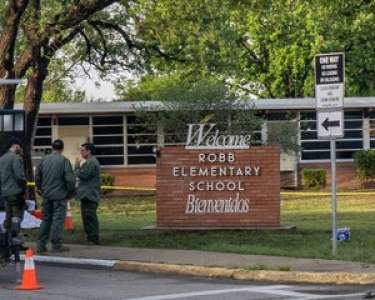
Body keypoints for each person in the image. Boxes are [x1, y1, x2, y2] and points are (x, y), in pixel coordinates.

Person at [36, 139, 75, 253]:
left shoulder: (44, 160)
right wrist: (70, 192)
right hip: (59, 196)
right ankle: (56, 244)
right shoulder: (64, 160)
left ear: (52, 148)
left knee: (46, 219)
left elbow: (38, 176)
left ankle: (41, 245)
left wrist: (40, 189)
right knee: (58, 220)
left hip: (47, 195)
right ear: (62, 149)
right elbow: (70, 179)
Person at [75, 143, 101, 245]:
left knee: (90, 217)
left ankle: (93, 238)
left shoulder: (91, 162)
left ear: (89, 151)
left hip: (90, 195)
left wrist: (77, 168)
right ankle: (90, 237)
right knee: (86, 217)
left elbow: (84, 175)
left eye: (82, 150)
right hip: (86, 194)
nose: (81, 152)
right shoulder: (88, 162)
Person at [0, 138, 27, 232]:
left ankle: (6, 238)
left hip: (5, 192)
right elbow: (19, 176)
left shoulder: (2, 158)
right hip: (15, 192)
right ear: (15, 146)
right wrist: (24, 187)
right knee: (17, 215)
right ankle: (15, 237)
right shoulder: (16, 158)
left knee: (8, 214)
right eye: (20, 147)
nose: (20, 149)